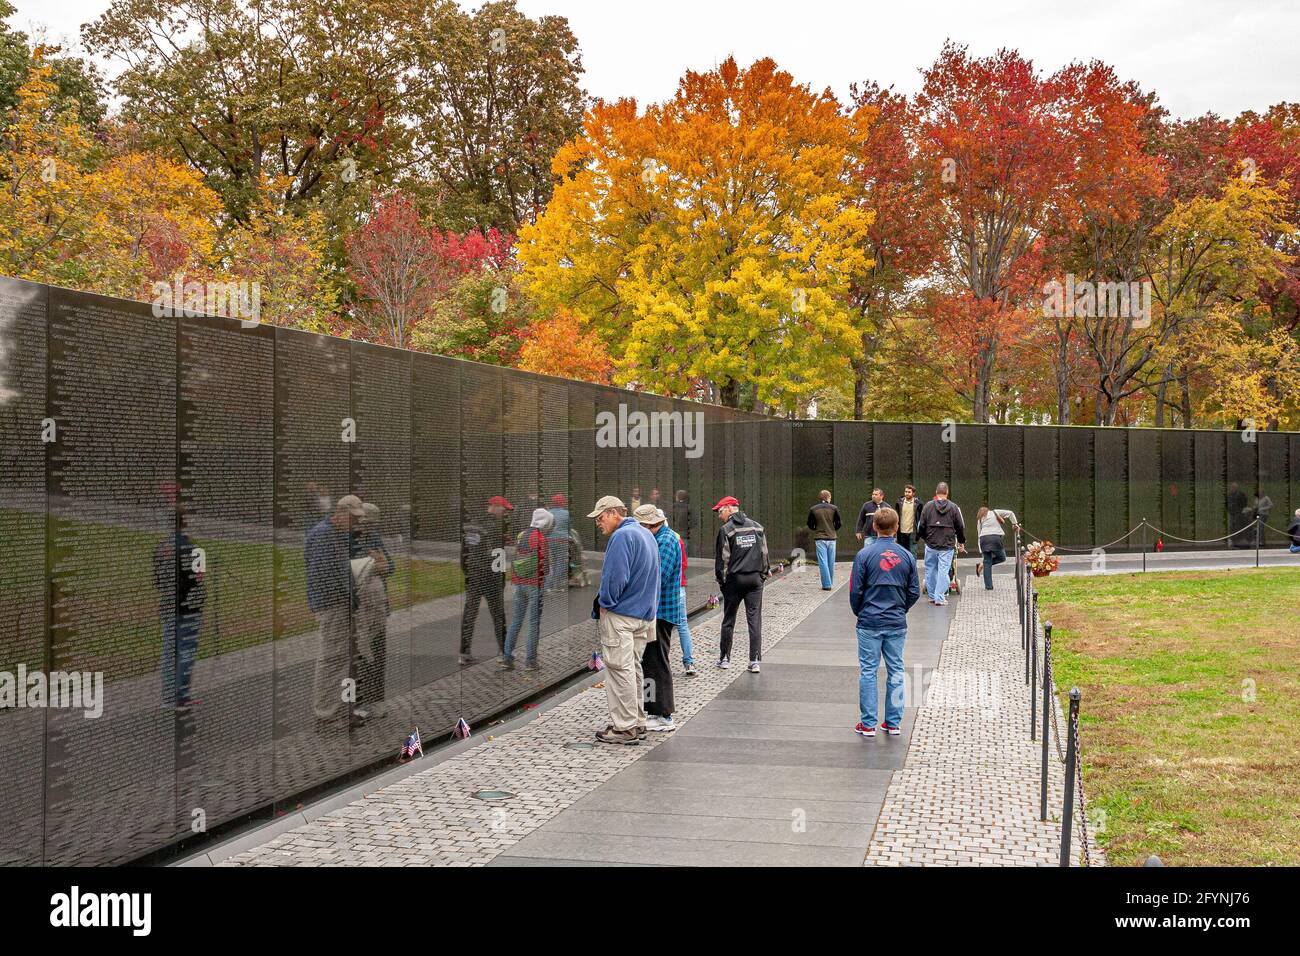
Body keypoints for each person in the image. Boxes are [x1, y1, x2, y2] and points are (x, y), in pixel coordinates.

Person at [588, 495, 660, 745]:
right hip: (643, 615)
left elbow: (614, 578)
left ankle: (625, 728)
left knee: (620, 671)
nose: (598, 523)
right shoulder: (645, 534)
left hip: (622, 615)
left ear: (613, 513)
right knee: (633, 669)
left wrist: (605, 603)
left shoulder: (621, 537)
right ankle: (637, 721)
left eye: (600, 517)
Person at [848, 507, 919, 738]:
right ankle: (893, 722)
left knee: (868, 671)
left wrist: (861, 612)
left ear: (874, 527)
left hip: (869, 621)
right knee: (896, 670)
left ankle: (868, 724)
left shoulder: (864, 556)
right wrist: (901, 609)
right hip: (896, 622)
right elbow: (914, 591)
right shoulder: (907, 556)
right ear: (897, 528)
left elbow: (855, 590)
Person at [306, 494, 365, 728]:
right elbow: (323, 576)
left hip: (341, 604)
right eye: (352, 518)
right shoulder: (324, 534)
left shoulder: (337, 534)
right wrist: (346, 597)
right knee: (331, 658)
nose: (355, 523)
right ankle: (326, 714)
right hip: (332, 605)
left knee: (343, 658)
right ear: (340, 513)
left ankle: (342, 710)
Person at [154, 508, 205, 711]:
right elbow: (199, 581)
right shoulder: (194, 550)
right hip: (189, 608)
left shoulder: (160, 548)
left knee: (169, 652)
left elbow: (157, 580)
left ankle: (167, 696)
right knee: (186, 651)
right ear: (185, 522)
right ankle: (181, 696)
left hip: (168, 605)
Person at [636, 504, 679, 731]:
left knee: (657, 661)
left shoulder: (667, 541)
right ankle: (653, 710)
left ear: (652, 525)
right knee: (650, 662)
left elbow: (657, 575)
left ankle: (663, 714)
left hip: (661, 612)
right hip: (656, 610)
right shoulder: (659, 539)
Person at [714, 495, 769, 672]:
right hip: (755, 580)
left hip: (734, 581)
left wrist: (723, 582)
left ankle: (724, 659)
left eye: (720, 511)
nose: (719, 515)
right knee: (754, 620)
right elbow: (764, 554)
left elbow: (722, 560)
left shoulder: (726, 530)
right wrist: (762, 575)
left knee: (729, 619)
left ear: (730, 508)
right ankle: (754, 661)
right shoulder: (757, 527)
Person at [459, 495, 512, 665]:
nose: (505, 514)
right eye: (504, 510)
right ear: (496, 507)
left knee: (469, 614)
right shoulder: (495, 528)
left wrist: (467, 573)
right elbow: (498, 556)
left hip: (473, 576)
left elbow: (464, 554)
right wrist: (501, 579)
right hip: (491, 577)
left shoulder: (472, 526)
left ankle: (464, 652)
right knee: (498, 616)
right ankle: (504, 652)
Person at [353, 502, 393, 712]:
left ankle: (376, 699)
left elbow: (390, 566)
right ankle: (358, 702)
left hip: (378, 605)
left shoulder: (374, 538)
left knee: (377, 655)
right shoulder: (351, 540)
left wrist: (380, 563)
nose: (369, 527)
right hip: (362, 607)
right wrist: (375, 564)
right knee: (360, 655)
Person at [501, 508, 552, 671]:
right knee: (533, 623)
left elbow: (517, 556)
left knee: (516, 621)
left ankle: (507, 657)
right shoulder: (541, 539)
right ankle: (531, 661)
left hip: (519, 583)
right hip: (534, 584)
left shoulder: (521, 536)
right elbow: (544, 565)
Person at [916, 482, 965, 607]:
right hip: (947, 545)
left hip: (931, 544)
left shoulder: (928, 506)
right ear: (947, 492)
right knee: (944, 570)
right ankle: (939, 597)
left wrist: (924, 538)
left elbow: (921, 525)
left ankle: (932, 596)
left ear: (936, 492)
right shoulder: (953, 507)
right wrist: (961, 541)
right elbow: (960, 526)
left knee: (930, 569)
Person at [670, 521, 697, 676]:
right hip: (679, 586)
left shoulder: (655, 539)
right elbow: (683, 564)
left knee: (659, 628)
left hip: (667, 590)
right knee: (682, 625)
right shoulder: (677, 538)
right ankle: (689, 662)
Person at [973, 505, 1018, 591]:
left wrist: (980, 550)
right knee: (1002, 557)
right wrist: (1014, 524)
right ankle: (983, 564)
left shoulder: (980, 520)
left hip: (984, 540)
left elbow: (979, 534)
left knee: (987, 562)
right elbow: (1010, 513)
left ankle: (989, 586)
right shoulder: (995, 512)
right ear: (988, 510)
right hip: (995, 538)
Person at [807, 489, 842, 589]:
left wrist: (815, 528)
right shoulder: (834, 508)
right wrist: (833, 529)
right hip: (832, 538)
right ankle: (829, 582)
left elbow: (810, 524)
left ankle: (826, 585)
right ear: (828, 498)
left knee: (823, 562)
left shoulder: (813, 509)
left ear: (820, 498)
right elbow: (839, 523)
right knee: (831, 562)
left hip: (819, 538)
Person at [545, 493, 571, 592]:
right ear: (563, 503)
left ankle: (548, 586)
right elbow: (569, 527)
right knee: (560, 563)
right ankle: (557, 585)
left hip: (549, 540)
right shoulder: (566, 513)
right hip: (562, 540)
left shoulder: (548, 513)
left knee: (550, 563)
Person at [894, 485, 921, 556]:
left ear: (913, 493)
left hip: (913, 532)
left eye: (909, 492)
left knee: (913, 553)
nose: (906, 493)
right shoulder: (899, 503)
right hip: (901, 532)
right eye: (905, 492)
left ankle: (912, 567)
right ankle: (903, 567)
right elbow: (896, 516)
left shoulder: (918, 504)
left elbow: (920, 518)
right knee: (901, 553)